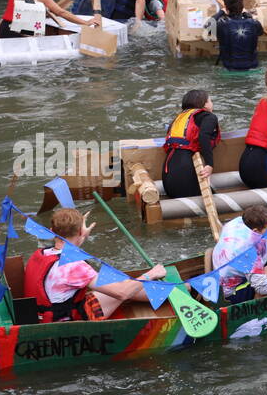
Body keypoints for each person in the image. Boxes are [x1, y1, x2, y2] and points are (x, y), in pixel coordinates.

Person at [22, 207, 166, 322]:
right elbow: (123, 293)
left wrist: (81, 235)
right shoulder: (74, 265)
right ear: (79, 231)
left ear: (52, 231)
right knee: (125, 288)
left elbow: (69, 246)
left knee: (121, 284)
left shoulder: (41, 253)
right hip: (67, 322)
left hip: (43, 315)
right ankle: (181, 289)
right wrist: (151, 274)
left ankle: (177, 289)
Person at [162, 89, 221, 199]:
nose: (212, 104)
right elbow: (203, 136)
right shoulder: (208, 116)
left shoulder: (178, 119)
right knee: (214, 198)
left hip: (167, 179)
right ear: (204, 104)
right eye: (210, 101)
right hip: (184, 176)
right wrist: (209, 164)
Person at [215, 0, 265, 71]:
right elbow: (260, 32)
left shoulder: (222, 24)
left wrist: (221, 12)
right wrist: (250, 17)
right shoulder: (254, 23)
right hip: (252, 69)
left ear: (226, 7)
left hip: (229, 70)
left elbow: (207, 26)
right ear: (242, 5)